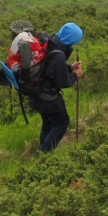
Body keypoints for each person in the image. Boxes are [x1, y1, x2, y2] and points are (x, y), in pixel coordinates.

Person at [29, 22, 83, 153]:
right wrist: (75, 75)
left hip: (37, 93)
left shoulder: (50, 42)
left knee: (48, 121)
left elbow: (49, 67)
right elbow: (63, 82)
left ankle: (42, 151)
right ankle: (42, 155)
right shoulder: (59, 54)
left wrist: (69, 67)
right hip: (49, 98)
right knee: (62, 123)